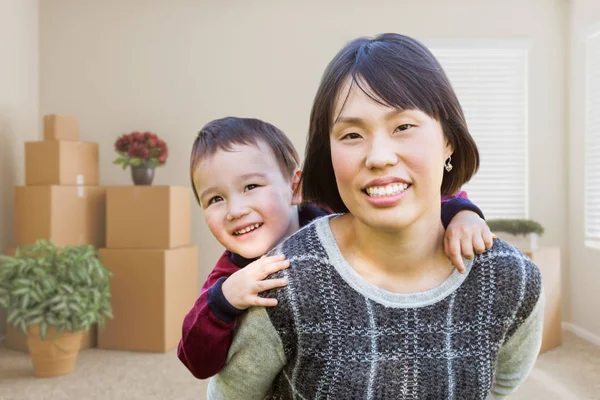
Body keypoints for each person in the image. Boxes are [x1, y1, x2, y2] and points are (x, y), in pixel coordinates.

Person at [207, 33, 544, 400]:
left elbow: (501, 385)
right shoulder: (283, 282)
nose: (379, 156)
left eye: (403, 127)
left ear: (448, 140)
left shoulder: (511, 280)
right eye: (352, 134)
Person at [178, 116, 494, 380]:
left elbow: (408, 203)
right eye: (215, 199)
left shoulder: (332, 217)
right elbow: (196, 360)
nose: (235, 209)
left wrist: (461, 213)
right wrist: (224, 300)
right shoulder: (229, 276)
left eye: (251, 187)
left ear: (295, 187)